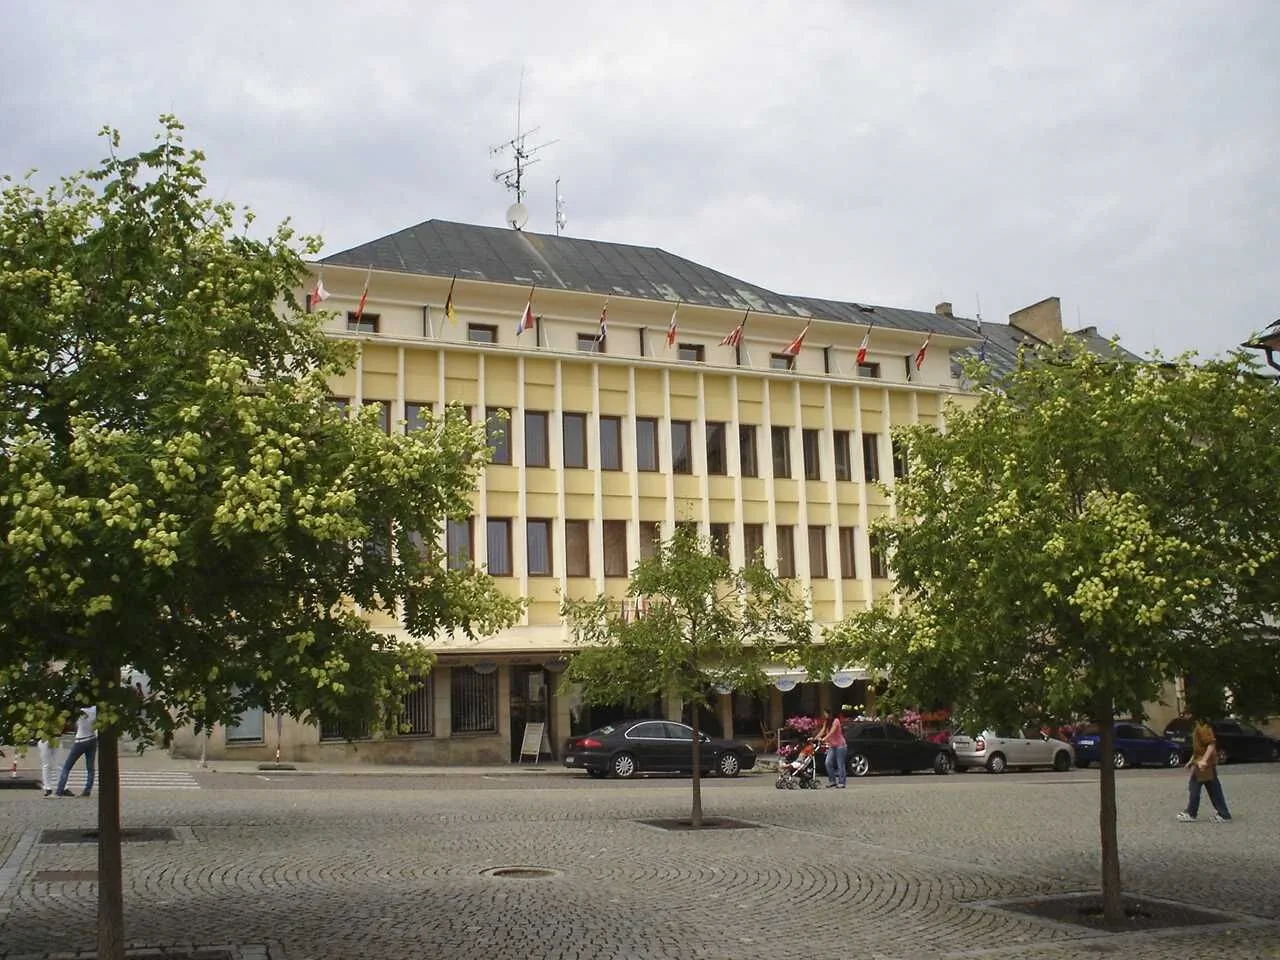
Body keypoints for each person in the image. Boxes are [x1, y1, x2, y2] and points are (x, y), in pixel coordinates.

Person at [1176, 717, 1231, 822]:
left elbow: (1211, 744)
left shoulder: (1202, 727)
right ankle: (1224, 813)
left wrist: (1204, 761)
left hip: (1203, 764)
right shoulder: (1198, 726)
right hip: (1203, 762)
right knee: (1214, 788)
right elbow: (1199, 749)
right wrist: (1191, 761)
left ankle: (1191, 813)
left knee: (1194, 786)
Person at [55, 706, 98, 798]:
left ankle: (59, 791)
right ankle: (87, 791)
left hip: (80, 740)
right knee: (90, 768)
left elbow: (73, 725)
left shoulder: (79, 711)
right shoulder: (95, 710)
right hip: (92, 739)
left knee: (67, 767)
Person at [819, 708, 848, 788]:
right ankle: (832, 781)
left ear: (830, 714)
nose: (825, 715)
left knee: (840, 764)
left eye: (825, 713)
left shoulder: (836, 721)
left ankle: (842, 782)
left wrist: (824, 739)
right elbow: (823, 730)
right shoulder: (826, 722)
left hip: (840, 746)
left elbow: (832, 732)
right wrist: (815, 738)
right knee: (828, 762)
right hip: (832, 746)